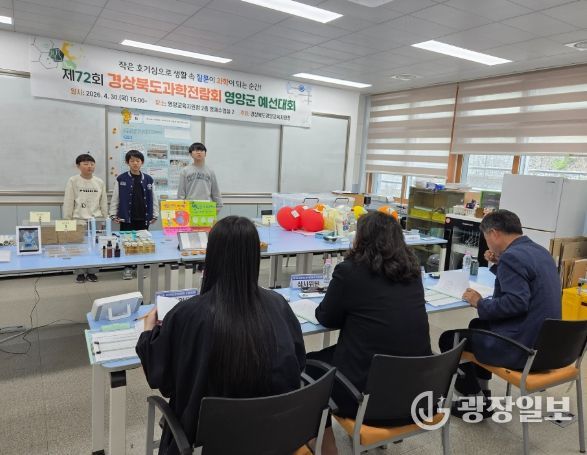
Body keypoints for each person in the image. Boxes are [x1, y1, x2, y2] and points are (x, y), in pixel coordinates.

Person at [136, 216, 305, 455]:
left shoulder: (188, 314)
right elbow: (298, 362)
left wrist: (147, 333)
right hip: (273, 441)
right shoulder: (278, 304)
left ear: (212, 256)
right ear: (254, 257)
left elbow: (161, 379)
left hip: (207, 444)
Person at [307, 211, 432, 454]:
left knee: (306, 367)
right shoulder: (412, 272)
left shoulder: (349, 272)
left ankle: (326, 447)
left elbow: (326, 317)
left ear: (361, 239)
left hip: (367, 398)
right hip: (416, 392)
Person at [439, 209, 561, 418]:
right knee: (477, 326)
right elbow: (523, 281)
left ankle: (475, 401)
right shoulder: (540, 251)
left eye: (486, 238)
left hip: (523, 348)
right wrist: (499, 263)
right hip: (547, 346)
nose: (487, 244)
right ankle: (483, 391)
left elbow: (516, 303)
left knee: (450, 339)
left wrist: (479, 302)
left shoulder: (512, 257)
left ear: (494, 233)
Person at [109, 150, 159, 279]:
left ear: (142, 162)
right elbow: (115, 197)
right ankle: (127, 268)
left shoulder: (148, 179)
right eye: (132, 161)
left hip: (143, 217)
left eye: (138, 161)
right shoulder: (121, 179)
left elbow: (154, 198)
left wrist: (155, 214)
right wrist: (113, 214)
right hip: (127, 218)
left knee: (142, 243)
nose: (135, 163)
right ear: (127, 162)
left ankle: (140, 268)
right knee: (127, 243)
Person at [63, 153, 108, 283]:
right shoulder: (73, 181)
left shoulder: (99, 182)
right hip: (79, 220)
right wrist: (67, 220)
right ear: (78, 166)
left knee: (96, 247)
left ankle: (92, 272)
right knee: (79, 248)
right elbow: (68, 201)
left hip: (96, 220)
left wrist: (105, 218)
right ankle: (80, 273)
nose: (90, 166)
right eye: (86, 164)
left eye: (92, 164)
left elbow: (103, 202)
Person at [177, 142, 222, 212]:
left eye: (201, 150)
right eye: (196, 150)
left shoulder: (210, 171)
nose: (199, 152)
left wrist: (218, 206)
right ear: (191, 154)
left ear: (205, 154)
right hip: (190, 207)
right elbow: (181, 192)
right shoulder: (185, 171)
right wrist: (180, 207)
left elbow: (215, 190)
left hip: (207, 207)